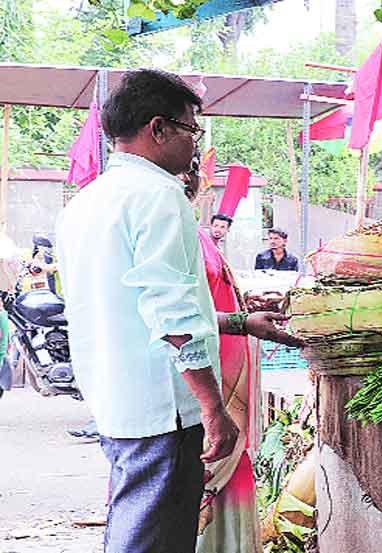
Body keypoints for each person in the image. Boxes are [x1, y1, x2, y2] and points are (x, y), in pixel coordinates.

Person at [56, 69, 238, 553]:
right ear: (158, 129)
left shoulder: (86, 202)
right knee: (152, 540)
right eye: (190, 130)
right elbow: (171, 315)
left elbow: (129, 307)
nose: (194, 145)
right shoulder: (158, 196)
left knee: (136, 529)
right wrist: (212, 407)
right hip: (164, 410)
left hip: (117, 401)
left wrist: (237, 323)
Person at [181, 168, 303, 553]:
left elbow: (206, 302)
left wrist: (245, 308)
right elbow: (176, 318)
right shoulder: (176, 236)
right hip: (202, 376)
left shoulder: (196, 236)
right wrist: (240, 321)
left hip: (224, 369)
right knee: (205, 468)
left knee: (228, 464)